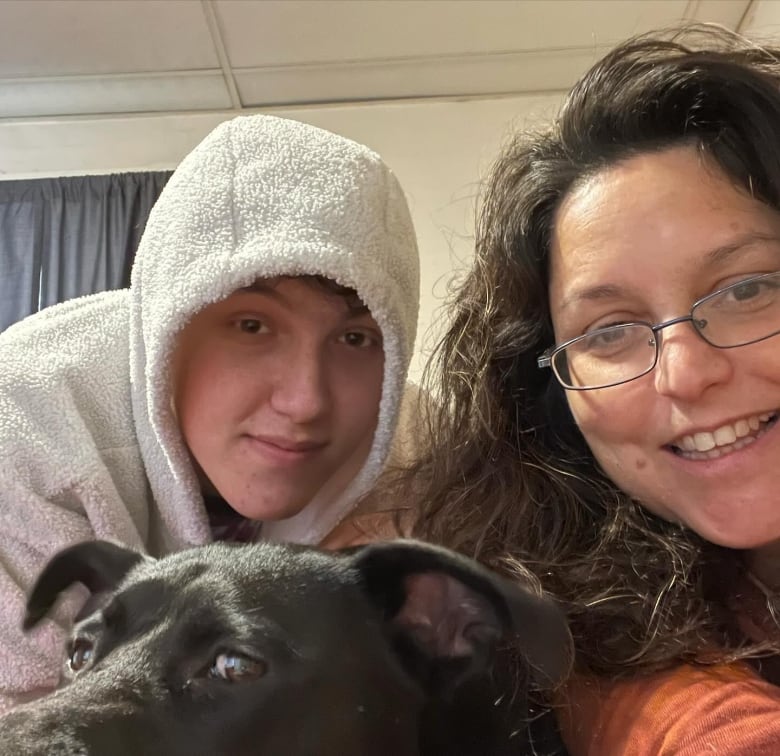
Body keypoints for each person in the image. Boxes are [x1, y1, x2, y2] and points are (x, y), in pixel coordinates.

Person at [403, 25, 780, 755]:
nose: (686, 371)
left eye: (748, 288)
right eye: (609, 330)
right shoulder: (574, 637)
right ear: (553, 394)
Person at [0, 114, 420, 711]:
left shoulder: (415, 455)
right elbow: (30, 726)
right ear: (164, 330)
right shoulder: (28, 431)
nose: (306, 402)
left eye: (355, 339)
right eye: (252, 326)